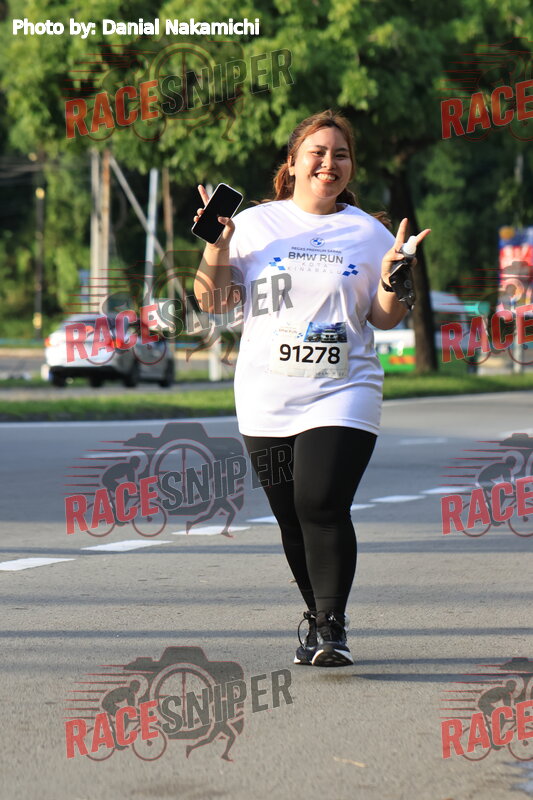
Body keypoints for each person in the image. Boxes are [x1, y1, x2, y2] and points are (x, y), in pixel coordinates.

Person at [193, 109, 431, 667]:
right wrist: (216, 245)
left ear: (351, 167)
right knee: (290, 516)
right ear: (294, 163)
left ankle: (331, 628)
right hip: (266, 395)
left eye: (340, 154)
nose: (329, 163)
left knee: (319, 501)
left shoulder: (369, 233)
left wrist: (395, 274)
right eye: (318, 153)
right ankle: (317, 617)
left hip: (344, 390)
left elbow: (384, 316)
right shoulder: (254, 224)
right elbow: (212, 302)